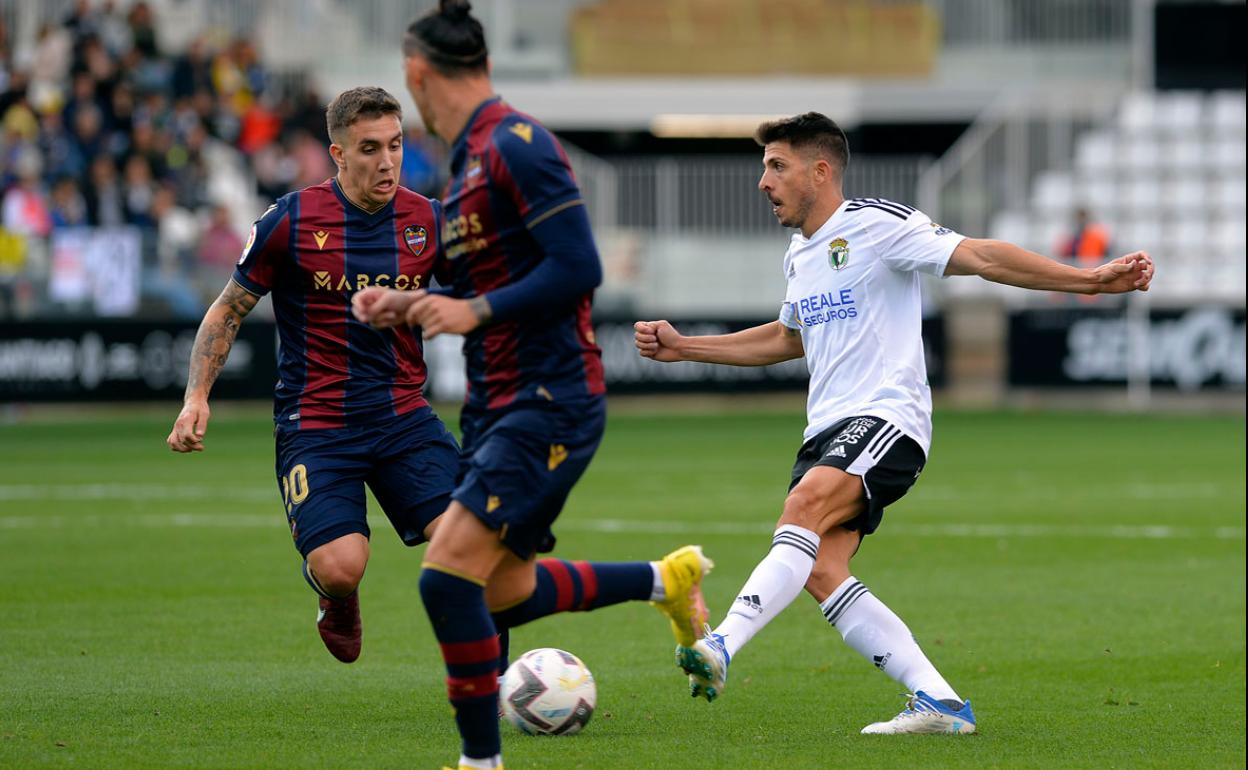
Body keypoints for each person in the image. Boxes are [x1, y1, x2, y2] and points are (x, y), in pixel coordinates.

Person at [634, 112, 1154, 735]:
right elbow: (786, 338)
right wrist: (685, 347)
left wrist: (1087, 281)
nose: (763, 182)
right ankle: (940, 703)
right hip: (824, 430)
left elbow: (981, 255)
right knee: (820, 569)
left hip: (887, 417)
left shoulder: (878, 224)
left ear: (819, 170)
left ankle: (719, 646)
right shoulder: (800, 253)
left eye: (776, 166)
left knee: (802, 508)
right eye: (764, 167)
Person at [351, 4, 712, 769]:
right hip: (493, 406)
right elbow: (479, 277)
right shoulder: (466, 159)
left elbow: (580, 267)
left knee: (446, 578)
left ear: (416, 75)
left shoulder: (518, 145)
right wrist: (411, 303)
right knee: (503, 592)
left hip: (548, 400)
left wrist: (473, 308)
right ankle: (665, 581)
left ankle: (480, 762)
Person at [166, 86, 462, 665]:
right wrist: (196, 397)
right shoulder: (291, 220)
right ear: (338, 154)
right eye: (370, 148)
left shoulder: (429, 220)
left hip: (404, 416)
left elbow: (483, 300)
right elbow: (228, 308)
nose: (387, 160)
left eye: (397, 145)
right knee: (341, 566)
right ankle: (338, 597)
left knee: (475, 544)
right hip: (318, 424)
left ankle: (495, 684)